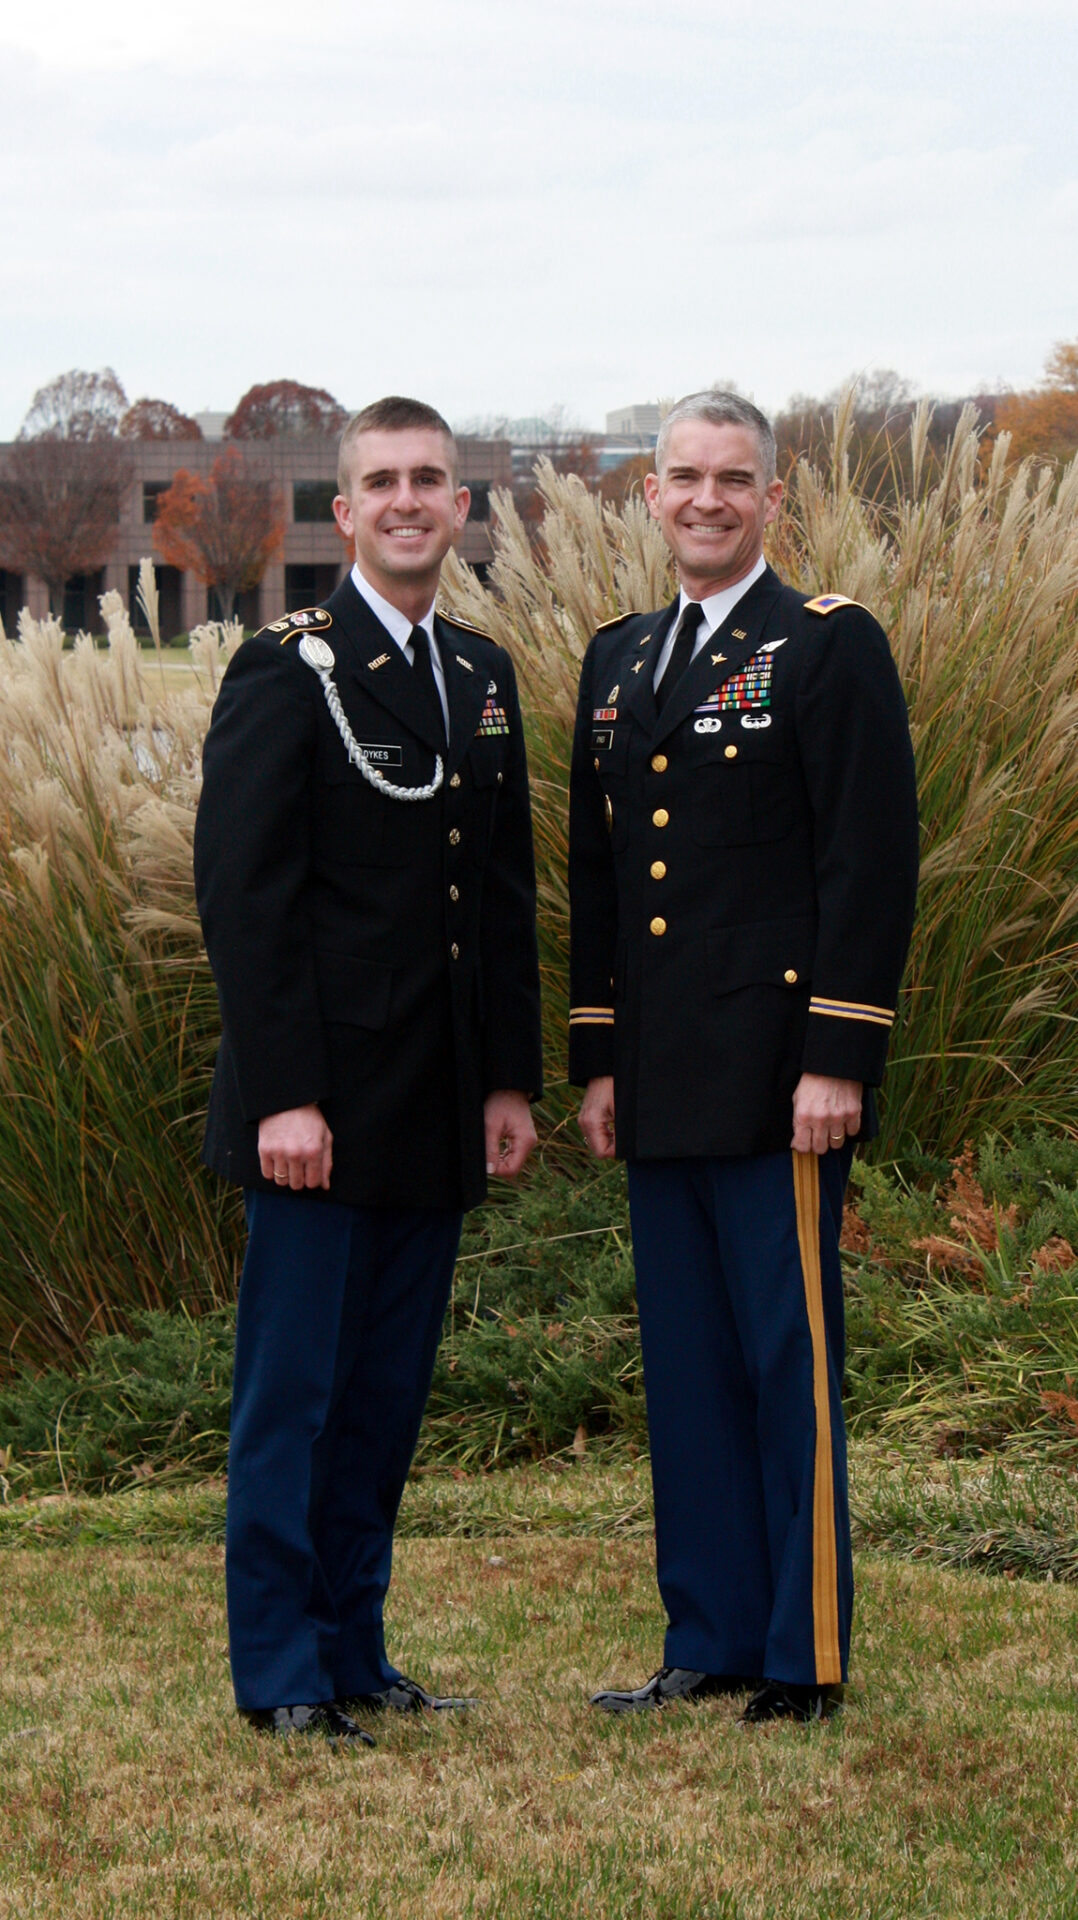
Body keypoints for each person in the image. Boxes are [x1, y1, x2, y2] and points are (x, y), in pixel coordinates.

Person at [194, 396, 542, 1746]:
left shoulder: (481, 670)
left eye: (431, 481)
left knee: (386, 1396)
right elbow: (246, 894)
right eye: (381, 482)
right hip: (319, 1109)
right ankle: (280, 1663)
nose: (408, 501)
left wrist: (505, 1079)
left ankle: (354, 1645)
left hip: (437, 1099)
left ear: (460, 508)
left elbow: (498, 897)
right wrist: (284, 1090)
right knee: (296, 1397)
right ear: (342, 512)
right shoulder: (290, 664)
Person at [568, 390, 918, 1723]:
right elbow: (598, 878)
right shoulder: (619, 657)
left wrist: (838, 1055)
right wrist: (596, 1056)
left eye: (733, 479)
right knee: (691, 1368)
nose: (706, 499)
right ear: (647, 497)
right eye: (683, 477)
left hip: (779, 1079)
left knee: (785, 1361)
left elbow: (866, 864)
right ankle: (706, 1634)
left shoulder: (823, 649)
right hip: (661, 1077)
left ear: (774, 500)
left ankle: (800, 1651)